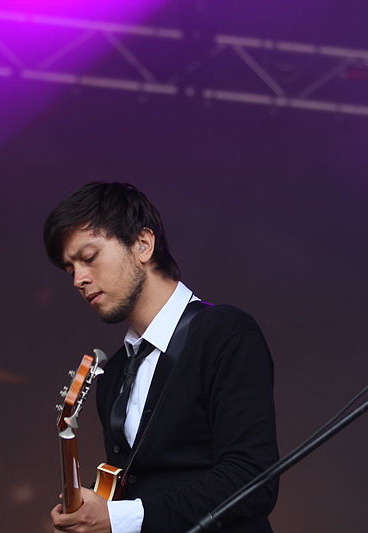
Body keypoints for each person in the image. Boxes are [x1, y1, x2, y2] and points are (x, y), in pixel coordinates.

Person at [44, 182, 279, 533]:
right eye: (69, 269)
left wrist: (120, 518)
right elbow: (143, 487)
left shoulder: (224, 333)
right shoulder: (114, 374)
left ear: (143, 244)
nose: (79, 279)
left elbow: (252, 479)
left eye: (89, 257)